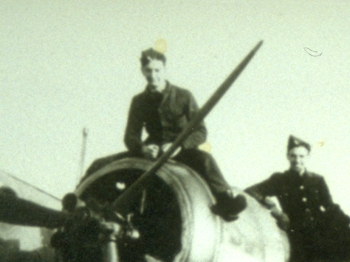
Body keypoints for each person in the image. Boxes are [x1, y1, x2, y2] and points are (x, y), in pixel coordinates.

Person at [85, 48, 246, 218]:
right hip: (150, 152)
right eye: (148, 70)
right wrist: (143, 149)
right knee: (99, 164)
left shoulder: (184, 96)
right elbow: (130, 136)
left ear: (164, 70)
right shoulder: (138, 101)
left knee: (206, 160)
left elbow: (200, 131)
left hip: (181, 151)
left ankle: (226, 203)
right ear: (142, 71)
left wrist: (181, 146)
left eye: (157, 70)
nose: (153, 75)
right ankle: (79, 201)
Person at [247, 135, 350, 262]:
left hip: (319, 229)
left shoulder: (317, 180)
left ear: (308, 157)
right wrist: (276, 211)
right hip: (295, 233)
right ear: (287, 156)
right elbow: (251, 191)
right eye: (293, 156)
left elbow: (329, 205)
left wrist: (344, 220)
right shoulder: (279, 179)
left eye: (301, 156)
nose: (297, 160)